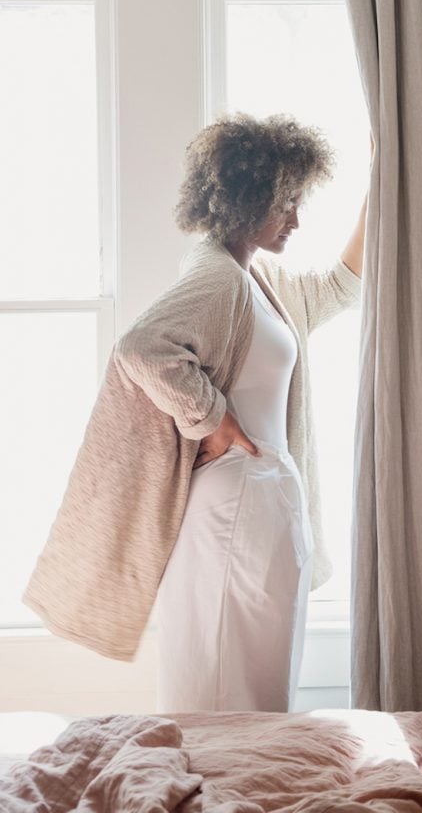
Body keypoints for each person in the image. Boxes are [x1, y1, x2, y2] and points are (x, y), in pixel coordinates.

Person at [24, 113, 365, 712]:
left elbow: (341, 287)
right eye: (284, 203)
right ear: (244, 201)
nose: (295, 219)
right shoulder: (218, 278)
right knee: (220, 683)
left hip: (264, 499)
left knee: (258, 687)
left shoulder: (259, 279)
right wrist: (214, 419)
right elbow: (140, 346)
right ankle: (212, 797)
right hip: (232, 506)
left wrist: (382, 182)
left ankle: (246, 791)